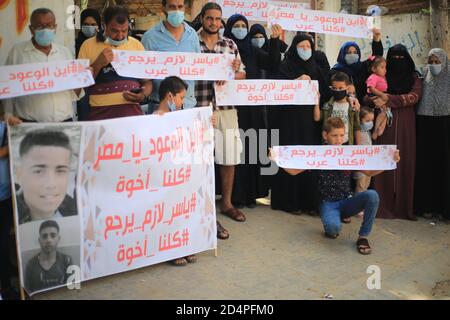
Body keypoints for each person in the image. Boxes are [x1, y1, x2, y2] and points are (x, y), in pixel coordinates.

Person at [273, 117, 401, 255]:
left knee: (372, 195)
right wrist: (277, 159)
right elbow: (293, 171)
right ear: (325, 135)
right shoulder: (317, 154)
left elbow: (369, 172)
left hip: (347, 201)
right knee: (333, 229)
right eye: (334, 135)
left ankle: (363, 237)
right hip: (328, 203)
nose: (338, 139)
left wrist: (390, 162)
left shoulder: (348, 154)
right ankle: (332, 223)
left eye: (341, 135)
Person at [195, 3, 246, 230]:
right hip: (199, 106)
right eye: (209, 18)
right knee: (199, 159)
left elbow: (243, 74)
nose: (214, 23)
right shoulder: (191, 42)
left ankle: (226, 203)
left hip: (226, 108)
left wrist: (236, 70)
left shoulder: (230, 44)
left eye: (217, 19)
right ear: (202, 18)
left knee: (229, 156)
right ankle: (201, 205)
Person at [224, 14, 282, 209]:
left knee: (252, 148)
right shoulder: (224, 49)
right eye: (236, 26)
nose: (240, 29)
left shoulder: (253, 50)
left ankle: (251, 195)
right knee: (234, 151)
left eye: (243, 26)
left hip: (253, 107)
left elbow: (273, 63)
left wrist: (274, 40)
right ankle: (233, 196)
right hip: (232, 108)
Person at [270, 33, 330, 214]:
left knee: (309, 158)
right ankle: (289, 202)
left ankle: (309, 203)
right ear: (294, 47)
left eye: (308, 47)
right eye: (301, 46)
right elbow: (276, 91)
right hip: (289, 121)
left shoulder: (317, 68)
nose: (305, 50)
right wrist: (295, 83)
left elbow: (326, 92)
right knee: (292, 156)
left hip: (311, 122)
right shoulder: (285, 66)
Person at [364, 44, 423, 220]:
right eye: (394, 58)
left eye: (401, 58)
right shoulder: (382, 75)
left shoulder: (414, 77)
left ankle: (403, 208)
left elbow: (414, 96)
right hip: (384, 122)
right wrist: (376, 100)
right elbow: (367, 95)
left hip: (406, 123)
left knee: (404, 160)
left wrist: (389, 98)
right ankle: (381, 206)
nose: (397, 62)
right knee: (382, 159)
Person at [3, 8, 84, 123]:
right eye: (40, 26)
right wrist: (8, 114)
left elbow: (74, 93)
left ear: (55, 28)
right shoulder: (17, 53)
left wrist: (82, 78)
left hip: (64, 123)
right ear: (31, 29)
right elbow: (8, 87)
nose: (45, 30)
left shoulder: (64, 52)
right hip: (29, 124)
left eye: (49, 25)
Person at [153, 76, 199, 266]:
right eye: (181, 98)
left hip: (179, 175)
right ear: (170, 96)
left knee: (181, 210)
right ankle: (169, 248)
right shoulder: (151, 117)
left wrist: (207, 123)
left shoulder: (182, 116)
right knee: (166, 212)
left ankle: (182, 244)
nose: (183, 102)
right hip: (160, 178)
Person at [78, 6, 152, 121]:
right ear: (104, 26)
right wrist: (98, 64)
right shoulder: (88, 46)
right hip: (99, 117)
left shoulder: (136, 45)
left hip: (132, 116)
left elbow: (147, 82)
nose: (120, 36)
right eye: (114, 31)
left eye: (124, 31)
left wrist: (142, 95)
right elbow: (80, 85)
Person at [141, 0, 201, 114]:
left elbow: (199, 66)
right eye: (172, 7)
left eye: (180, 7)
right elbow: (143, 73)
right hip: (160, 107)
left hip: (188, 105)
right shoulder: (150, 37)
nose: (177, 11)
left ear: (185, 8)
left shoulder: (192, 35)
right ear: (164, 8)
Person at [415, 48, 450, 221]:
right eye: (431, 61)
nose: (434, 65)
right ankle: (426, 206)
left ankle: (444, 208)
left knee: (444, 167)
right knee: (426, 166)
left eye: (437, 62)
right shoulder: (424, 76)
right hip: (426, 124)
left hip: (445, 124)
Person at [15, 129, 77, 224]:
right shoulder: (9, 215)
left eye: (60, 170)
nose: (50, 184)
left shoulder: (77, 211)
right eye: (38, 171)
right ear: (19, 175)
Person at [331, 29, 383, 102]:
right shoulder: (335, 71)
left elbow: (376, 58)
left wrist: (376, 40)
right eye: (349, 52)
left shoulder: (363, 67)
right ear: (342, 54)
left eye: (355, 52)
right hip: (344, 108)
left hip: (363, 106)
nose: (352, 55)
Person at [24, 220, 73, 293]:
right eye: (44, 236)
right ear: (39, 240)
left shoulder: (67, 261)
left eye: (53, 235)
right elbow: (27, 292)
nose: (48, 240)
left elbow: (71, 291)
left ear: (58, 238)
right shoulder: (30, 265)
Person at [314, 71, 361, 146]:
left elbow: (357, 127)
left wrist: (359, 146)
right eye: (335, 88)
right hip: (329, 144)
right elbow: (317, 117)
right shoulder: (328, 105)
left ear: (347, 88)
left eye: (340, 88)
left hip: (346, 143)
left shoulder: (353, 106)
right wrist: (317, 100)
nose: (337, 91)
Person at [0, 118, 19, 300]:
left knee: (5, 238)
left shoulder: (3, 122)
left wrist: (15, 127)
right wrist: (9, 148)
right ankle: (4, 288)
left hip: (5, 192)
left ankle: (7, 270)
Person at [75, 8, 101, 121]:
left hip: (101, 88)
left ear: (99, 25)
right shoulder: (74, 45)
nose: (89, 27)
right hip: (83, 92)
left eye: (93, 24)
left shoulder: (104, 43)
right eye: (85, 24)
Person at [366, 56, 392, 140]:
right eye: (382, 67)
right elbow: (371, 88)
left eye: (385, 67)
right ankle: (376, 129)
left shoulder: (383, 77)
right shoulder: (373, 77)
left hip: (382, 95)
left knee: (387, 110)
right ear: (374, 69)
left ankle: (382, 126)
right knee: (384, 111)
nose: (385, 70)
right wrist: (381, 95)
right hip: (375, 95)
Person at [353, 107, 375, 194]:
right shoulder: (358, 131)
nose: (370, 123)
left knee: (366, 186)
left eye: (372, 120)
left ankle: (363, 207)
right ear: (360, 119)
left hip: (368, 163)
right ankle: (356, 206)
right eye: (367, 120)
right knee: (360, 186)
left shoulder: (367, 131)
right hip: (361, 164)